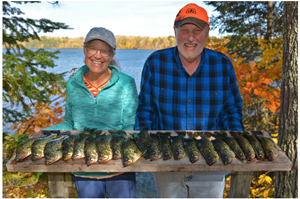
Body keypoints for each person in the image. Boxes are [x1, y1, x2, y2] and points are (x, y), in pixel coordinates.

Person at [135, 3, 244, 198]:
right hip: (167, 162)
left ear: (207, 32)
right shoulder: (155, 62)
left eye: (197, 30)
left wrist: (236, 143)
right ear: (175, 31)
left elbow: (232, 111)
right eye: (184, 30)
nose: (191, 37)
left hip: (211, 162)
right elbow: (145, 110)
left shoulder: (222, 64)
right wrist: (147, 146)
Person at [34, 27, 138, 198]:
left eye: (104, 51)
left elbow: (129, 127)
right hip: (84, 166)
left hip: (119, 168)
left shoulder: (126, 83)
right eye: (93, 48)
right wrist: (45, 131)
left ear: (112, 55)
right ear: (84, 50)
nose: (98, 55)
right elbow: (70, 124)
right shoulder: (73, 85)